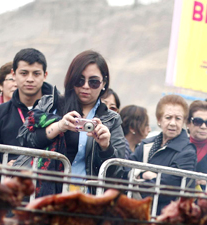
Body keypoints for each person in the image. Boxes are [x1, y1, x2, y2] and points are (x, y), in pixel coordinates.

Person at [17, 50, 127, 196]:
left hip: (85, 199)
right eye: (79, 80)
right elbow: (24, 139)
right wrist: (58, 126)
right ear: (71, 79)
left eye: (93, 82)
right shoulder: (50, 104)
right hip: (44, 194)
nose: (86, 86)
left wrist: (105, 146)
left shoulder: (111, 119)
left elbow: (117, 172)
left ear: (103, 84)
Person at [0, 48, 57, 165]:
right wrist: (5, 168)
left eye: (36, 73)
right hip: (8, 182)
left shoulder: (59, 109)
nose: (30, 79)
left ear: (45, 75)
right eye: (24, 73)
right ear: (14, 74)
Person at [129, 95, 196, 211]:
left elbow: (168, 188)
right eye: (168, 117)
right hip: (136, 213)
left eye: (178, 118)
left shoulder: (187, 152)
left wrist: (136, 181)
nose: (173, 123)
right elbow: (125, 170)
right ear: (159, 120)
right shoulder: (146, 145)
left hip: (165, 218)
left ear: (184, 121)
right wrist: (145, 173)